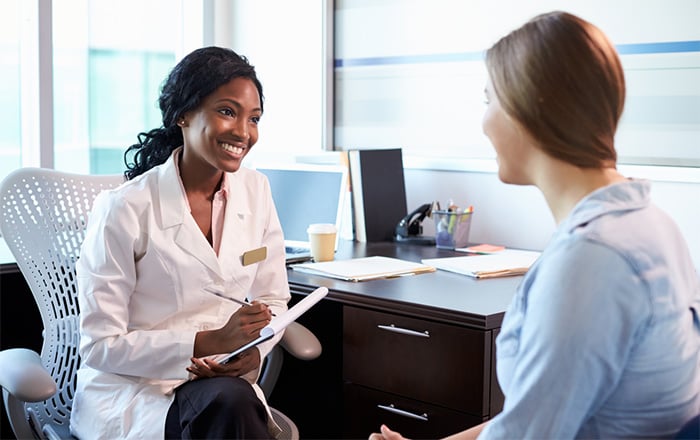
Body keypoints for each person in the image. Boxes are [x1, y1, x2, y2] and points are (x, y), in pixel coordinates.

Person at [371, 11, 700, 440]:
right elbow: (531, 418)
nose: (484, 122)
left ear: (531, 107)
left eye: (490, 101)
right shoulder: (649, 224)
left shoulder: (591, 260)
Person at [70, 46, 291, 439]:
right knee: (230, 407)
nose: (243, 131)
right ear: (183, 115)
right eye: (227, 111)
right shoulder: (125, 208)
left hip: (224, 384)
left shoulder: (256, 191)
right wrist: (205, 342)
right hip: (139, 390)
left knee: (229, 402)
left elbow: (273, 301)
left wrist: (250, 352)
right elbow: (100, 346)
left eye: (253, 118)